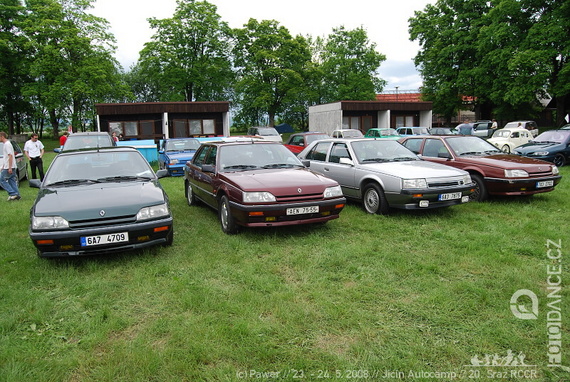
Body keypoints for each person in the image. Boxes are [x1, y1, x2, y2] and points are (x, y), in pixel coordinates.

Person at [0, 132, 21, 201]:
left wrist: (9, 167)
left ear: (2, 136)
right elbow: (6, 157)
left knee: (1, 180)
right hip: (9, 166)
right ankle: (17, 194)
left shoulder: (7, 144)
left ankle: (12, 193)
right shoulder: (6, 144)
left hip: (9, 166)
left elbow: (10, 155)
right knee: (11, 180)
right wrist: (3, 165)